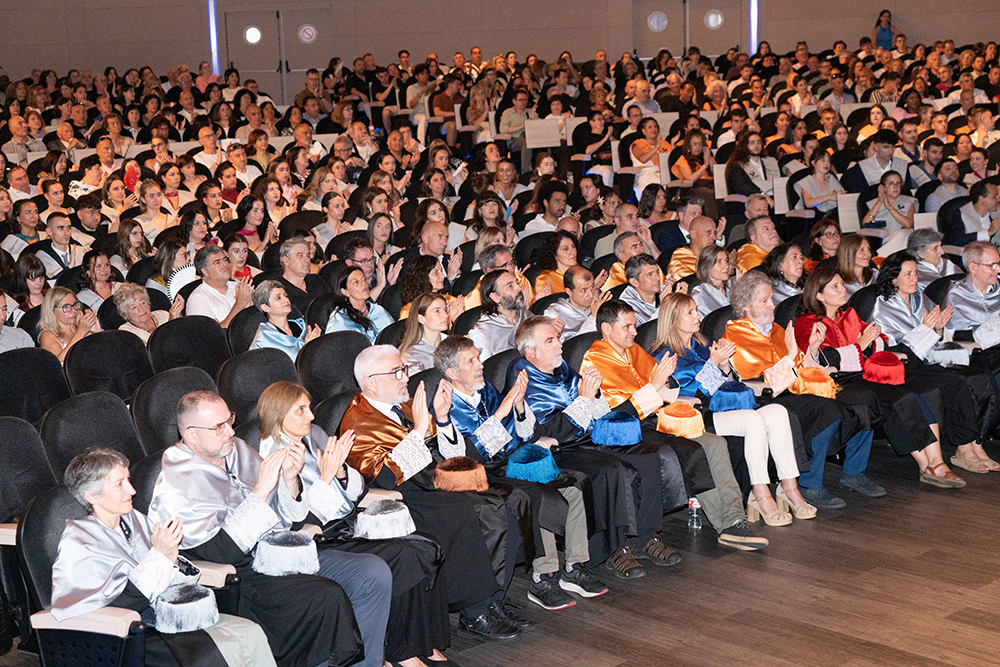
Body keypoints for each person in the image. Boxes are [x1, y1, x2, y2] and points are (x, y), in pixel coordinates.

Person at [147, 391, 368, 667]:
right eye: (219, 427)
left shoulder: (236, 449)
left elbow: (288, 518)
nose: (230, 431)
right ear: (191, 434)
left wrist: (289, 480)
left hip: (276, 553)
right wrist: (262, 489)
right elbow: (221, 551)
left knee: (365, 575)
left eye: (230, 420)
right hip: (236, 577)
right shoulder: (177, 482)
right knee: (325, 596)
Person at [256, 382, 456, 667]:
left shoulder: (313, 437)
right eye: (300, 410)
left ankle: (419, 645)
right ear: (278, 414)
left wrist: (339, 472)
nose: (311, 416)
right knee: (403, 556)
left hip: (343, 527)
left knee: (422, 545)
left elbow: (358, 487)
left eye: (309, 408)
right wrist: (325, 480)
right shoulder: (269, 457)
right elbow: (294, 522)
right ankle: (402, 652)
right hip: (315, 542)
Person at [341, 345, 532, 641]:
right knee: (466, 509)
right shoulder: (357, 423)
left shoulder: (398, 402)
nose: (405, 378)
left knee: (507, 499)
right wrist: (418, 430)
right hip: (397, 500)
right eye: (397, 373)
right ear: (370, 382)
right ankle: (474, 610)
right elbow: (383, 480)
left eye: (403, 370)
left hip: (428, 481)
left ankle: (492, 600)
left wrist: (440, 418)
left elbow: (440, 453)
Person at [51, 448, 276, 667]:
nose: (131, 490)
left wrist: (170, 557)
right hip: (131, 633)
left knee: (250, 632)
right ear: (91, 496)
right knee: (217, 651)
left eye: (128, 480)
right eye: (119, 484)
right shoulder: (78, 541)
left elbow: (166, 570)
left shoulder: (133, 519)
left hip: (166, 614)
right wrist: (160, 556)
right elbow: (117, 602)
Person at [434, 335, 612, 610]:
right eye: (471, 361)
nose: (480, 365)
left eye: (478, 358)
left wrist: (518, 406)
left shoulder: (487, 390)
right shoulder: (446, 406)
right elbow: (461, 458)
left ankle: (574, 567)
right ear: (452, 373)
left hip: (511, 462)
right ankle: (543, 578)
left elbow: (525, 433)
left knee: (575, 486)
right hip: (482, 475)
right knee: (540, 496)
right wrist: (505, 407)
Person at [581, 301, 770, 549]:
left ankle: (735, 519)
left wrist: (666, 385)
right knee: (694, 450)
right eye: (627, 326)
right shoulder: (594, 361)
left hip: (660, 417)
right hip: (631, 430)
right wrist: (655, 386)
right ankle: (726, 524)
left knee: (714, 443)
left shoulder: (634, 351)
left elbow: (668, 390)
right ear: (606, 329)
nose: (635, 332)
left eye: (635, 325)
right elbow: (615, 414)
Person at [795, 264, 968, 486]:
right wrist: (859, 345)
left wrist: (870, 341)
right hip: (833, 382)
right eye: (835, 287)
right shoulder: (807, 323)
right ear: (819, 296)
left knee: (920, 393)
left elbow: (878, 339)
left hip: (861, 375)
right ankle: (926, 466)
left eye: (841, 284)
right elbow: (820, 362)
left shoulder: (847, 314)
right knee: (899, 400)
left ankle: (937, 461)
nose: (842, 290)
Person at [725, 271, 883, 509]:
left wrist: (813, 349)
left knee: (864, 397)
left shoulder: (776, 330)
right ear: (745, 306)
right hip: (770, 399)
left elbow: (803, 367)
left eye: (772, 298)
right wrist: (790, 357)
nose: (772, 305)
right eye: (764, 301)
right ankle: (810, 484)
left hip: (800, 387)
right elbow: (764, 383)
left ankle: (854, 472)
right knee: (827, 410)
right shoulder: (736, 335)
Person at [654, 293, 813, 525]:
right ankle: (760, 493)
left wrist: (724, 365)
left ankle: (789, 487)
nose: (698, 316)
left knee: (778, 412)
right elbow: (681, 394)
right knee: (753, 420)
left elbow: (728, 381)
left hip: (724, 405)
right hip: (699, 414)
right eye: (689, 313)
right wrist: (711, 364)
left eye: (696, 310)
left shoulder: (703, 345)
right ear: (672, 319)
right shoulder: (665, 353)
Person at [249, 280, 321, 359]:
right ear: (265, 307)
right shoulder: (263, 340)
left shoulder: (300, 326)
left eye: (285, 295)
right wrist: (307, 349)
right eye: (278, 298)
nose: (286, 300)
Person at [468, 269, 531, 359]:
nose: (519, 288)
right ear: (495, 297)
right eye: (510, 286)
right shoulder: (482, 333)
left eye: (517, 283)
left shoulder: (526, 315)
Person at [186, 246, 253, 328]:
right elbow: (216, 334)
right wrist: (239, 304)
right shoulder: (197, 299)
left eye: (225, 260)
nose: (225, 264)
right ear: (205, 272)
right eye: (217, 262)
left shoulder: (239, 287)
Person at [324, 265, 395, 342]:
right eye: (356, 282)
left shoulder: (378, 311)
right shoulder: (340, 318)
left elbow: (394, 336)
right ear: (345, 292)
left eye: (364, 279)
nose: (364, 283)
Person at [543, 265, 610, 340]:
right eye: (584, 290)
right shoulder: (555, 314)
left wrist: (596, 289)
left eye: (592, 287)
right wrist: (593, 316)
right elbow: (575, 348)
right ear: (569, 292)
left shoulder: (598, 303)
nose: (591, 295)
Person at [38, 285, 102, 362]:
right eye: (66, 307)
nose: (73, 310)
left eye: (75, 304)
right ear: (52, 311)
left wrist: (99, 332)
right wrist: (81, 332)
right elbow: (58, 364)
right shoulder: (47, 335)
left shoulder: (84, 329)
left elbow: (105, 355)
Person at [114, 283, 183, 343]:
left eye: (143, 303)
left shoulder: (163, 315)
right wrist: (171, 322)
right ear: (125, 313)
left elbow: (182, 335)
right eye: (133, 307)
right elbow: (152, 352)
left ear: (148, 303)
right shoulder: (126, 331)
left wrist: (178, 314)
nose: (141, 309)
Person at [398, 293, 450, 372]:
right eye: (437, 311)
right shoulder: (411, 355)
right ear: (421, 318)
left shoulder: (452, 343)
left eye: (445, 310)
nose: (445, 315)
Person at [277, 238, 329, 313]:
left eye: (307, 255)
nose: (307, 260)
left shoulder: (316, 279)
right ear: (286, 260)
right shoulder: (278, 290)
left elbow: (334, 303)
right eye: (300, 256)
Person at [665, 216, 722, 280]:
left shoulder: (718, 257)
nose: (714, 237)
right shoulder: (681, 258)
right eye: (708, 232)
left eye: (714, 232)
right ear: (693, 234)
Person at [725, 131, 778, 197]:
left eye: (759, 142)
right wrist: (761, 195)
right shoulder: (737, 165)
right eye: (752, 143)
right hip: (751, 200)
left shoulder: (770, 161)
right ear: (745, 146)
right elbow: (741, 188)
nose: (756, 146)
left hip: (775, 198)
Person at [621, 254, 668, 325]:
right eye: (650, 274)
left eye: (657, 272)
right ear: (634, 282)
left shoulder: (664, 290)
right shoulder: (626, 308)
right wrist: (663, 307)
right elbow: (644, 334)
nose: (658, 278)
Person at [690, 245, 733, 317]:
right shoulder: (699, 295)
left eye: (726, 261)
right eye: (719, 262)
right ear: (706, 267)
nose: (726, 266)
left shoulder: (734, 285)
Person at [534, 230, 579, 295]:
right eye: (565, 249)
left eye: (573, 247)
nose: (573, 252)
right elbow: (540, 304)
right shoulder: (545, 280)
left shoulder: (582, 273)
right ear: (555, 254)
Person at [799, 150, 844, 215]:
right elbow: (808, 203)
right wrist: (829, 197)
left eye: (828, 161)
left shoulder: (831, 178)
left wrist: (840, 195)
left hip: (836, 215)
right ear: (813, 163)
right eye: (823, 161)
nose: (826, 164)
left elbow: (844, 197)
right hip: (817, 218)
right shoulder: (806, 181)